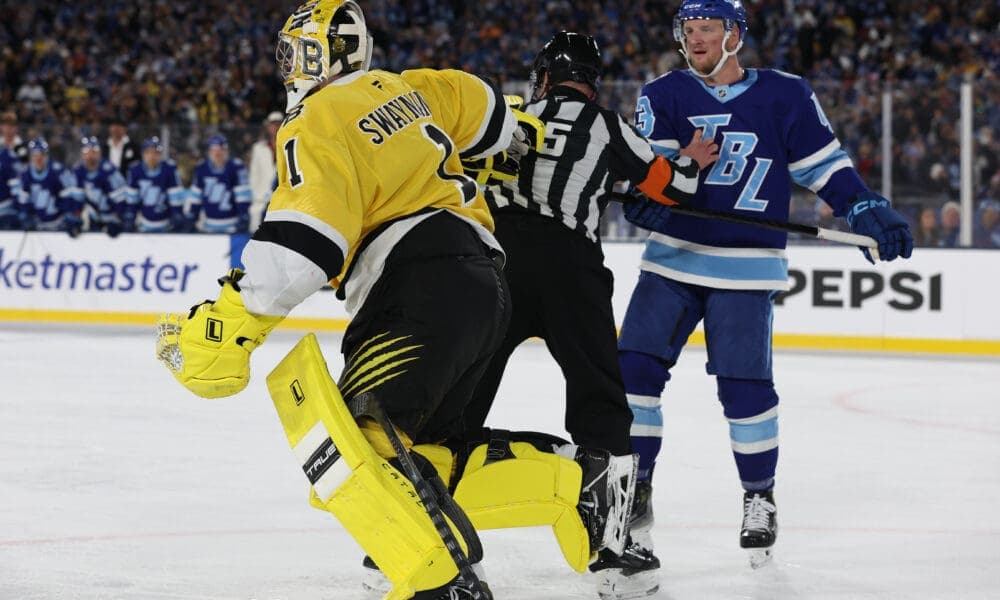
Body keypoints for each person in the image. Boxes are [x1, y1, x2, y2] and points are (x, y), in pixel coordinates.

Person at [155, 3, 635, 599]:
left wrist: (228, 324)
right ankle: (571, 483)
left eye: (291, 53)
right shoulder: (412, 89)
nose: (286, 69)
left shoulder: (317, 117)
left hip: (416, 287)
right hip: (485, 280)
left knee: (360, 451)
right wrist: (515, 136)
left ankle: (446, 582)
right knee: (430, 454)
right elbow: (489, 112)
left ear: (317, 53)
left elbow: (304, 244)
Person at [618, 0, 914, 572]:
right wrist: (657, 188)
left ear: (734, 34)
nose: (696, 38)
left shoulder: (787, 93)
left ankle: (759, 495)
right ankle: (639, 485)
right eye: (689, 29)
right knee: (632, 370)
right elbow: (647, 177)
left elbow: (824, 167)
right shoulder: (662, 93)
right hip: (671, 259)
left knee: (744, 388)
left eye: (707, 28)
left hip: (747, 266)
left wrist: (863, 205)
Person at [460, 31, 717, 600]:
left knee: (462, 394)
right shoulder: (607, 127)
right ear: (590, 81)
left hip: (494, 262)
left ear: (545, 76)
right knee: (600, 401)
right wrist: (691, 161)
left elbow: (463, 175)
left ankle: (419, 529)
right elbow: (674, 187)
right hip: (569, 267)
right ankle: (611, 546)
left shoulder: (512, 114)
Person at [16, 137, 83, 235]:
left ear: (47, 155)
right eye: (35, 155)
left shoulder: (59, 172)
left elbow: (73, 195)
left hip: (59, 223)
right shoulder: (25, 174)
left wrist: (71, 215)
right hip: (36, 225)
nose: (38, 158)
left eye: (41, 154)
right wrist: (25, 215)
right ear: (31, 156)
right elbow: (22, 201)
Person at [188, 134, 252, 233]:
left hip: (232, 226)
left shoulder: (236, 167)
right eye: (214, 150)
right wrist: (192, 216)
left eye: (220, 150)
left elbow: (243, 196)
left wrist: (243, 215)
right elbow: (196, 197)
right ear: (209, 152)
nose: (217, 154)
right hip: (209, 225)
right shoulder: (201, 168)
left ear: (226, 151)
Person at [123, 136, 187, 233]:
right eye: (148, 152)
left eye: (156, 153)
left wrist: (176, 215)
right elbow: (132, 200)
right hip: (143, 224)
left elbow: (175, 199)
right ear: (143, 154)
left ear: (161, 155)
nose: (152, 156)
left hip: (166, 225)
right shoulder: (135, 170)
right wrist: (130, 217)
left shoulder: (169, 169)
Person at [73, 135, 129, 237]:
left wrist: (115, 219)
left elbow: (121, 199)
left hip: (112, 219)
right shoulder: (78, 172)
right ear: (82, 154)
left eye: (94, 151)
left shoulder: (110, 171)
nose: (90, 155)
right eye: (87, 151)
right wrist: (75, 219)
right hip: (92, 218)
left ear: (100, 153)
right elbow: (77, 200)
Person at [248, 111, 283, 230]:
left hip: (282, 200)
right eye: (273, 124)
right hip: (261, 199)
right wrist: (258, 195)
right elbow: (254, 174)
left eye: (279, 123)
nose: (276, 127)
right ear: (268, 127)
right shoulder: (258, 148)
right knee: (255, 231)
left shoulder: (290, 146)